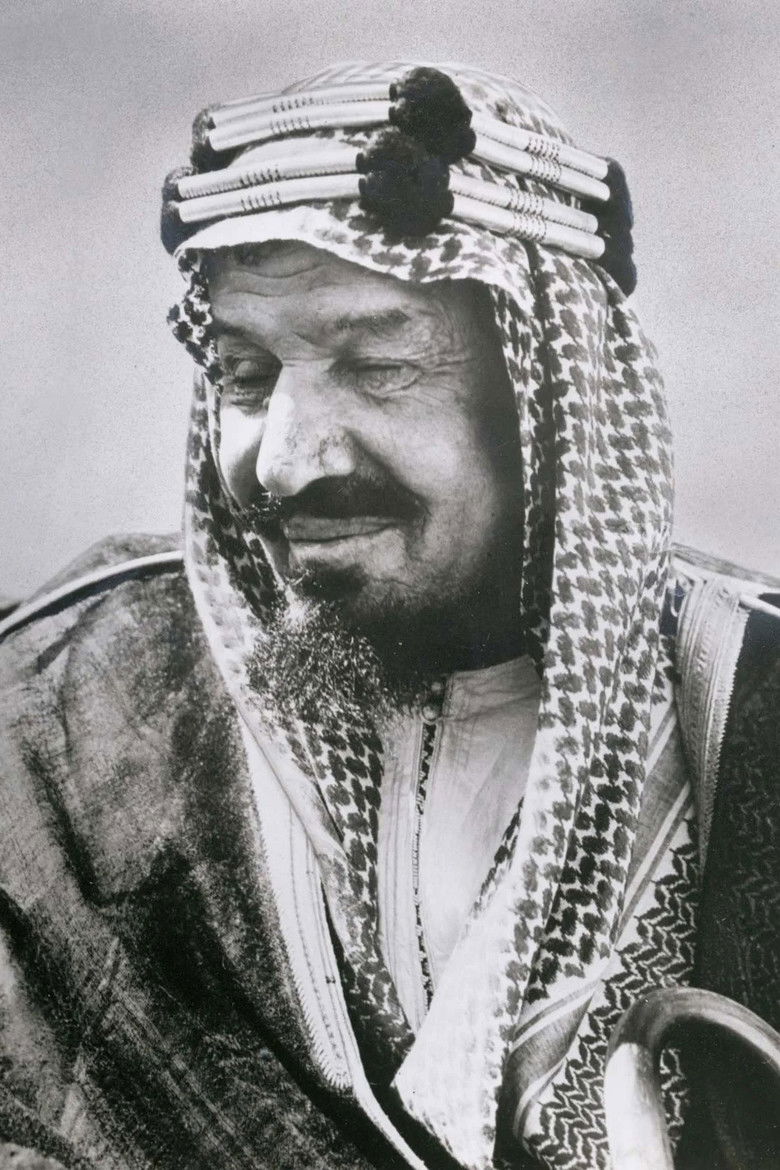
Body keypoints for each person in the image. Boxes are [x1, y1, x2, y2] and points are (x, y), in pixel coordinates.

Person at [0, 61, 777, 1170]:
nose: (284, 463)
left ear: (549, 403)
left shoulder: (754, 714)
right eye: (245, 374)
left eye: (378, 367)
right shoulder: (63, 706)